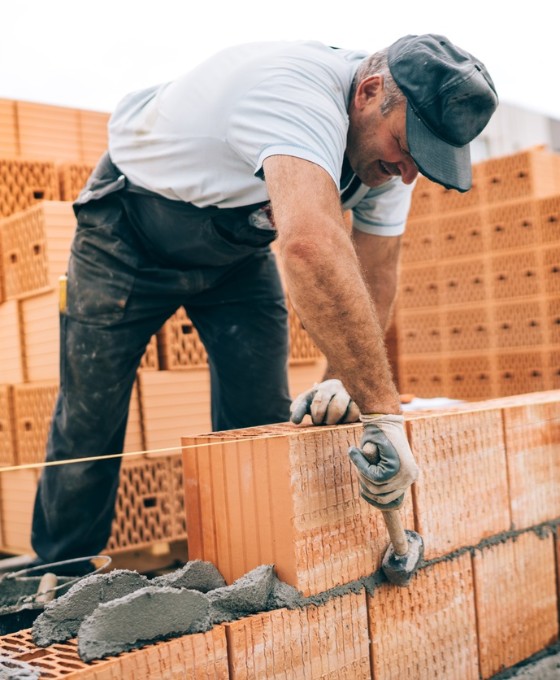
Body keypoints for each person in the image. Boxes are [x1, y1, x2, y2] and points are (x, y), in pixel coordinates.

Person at [30, 34, 498, 571]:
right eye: (408, 148)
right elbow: (309, 244)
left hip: (235, 250)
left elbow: (375, 269)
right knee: (90, 416)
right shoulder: (294, 94)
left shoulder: (392, 151)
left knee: (258, 417)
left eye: (426, 160)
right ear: (368, 93)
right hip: (128, 230)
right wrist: (382, 412)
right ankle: (58, 578)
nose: (411, 173)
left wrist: (341, 384)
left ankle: (248, 572)